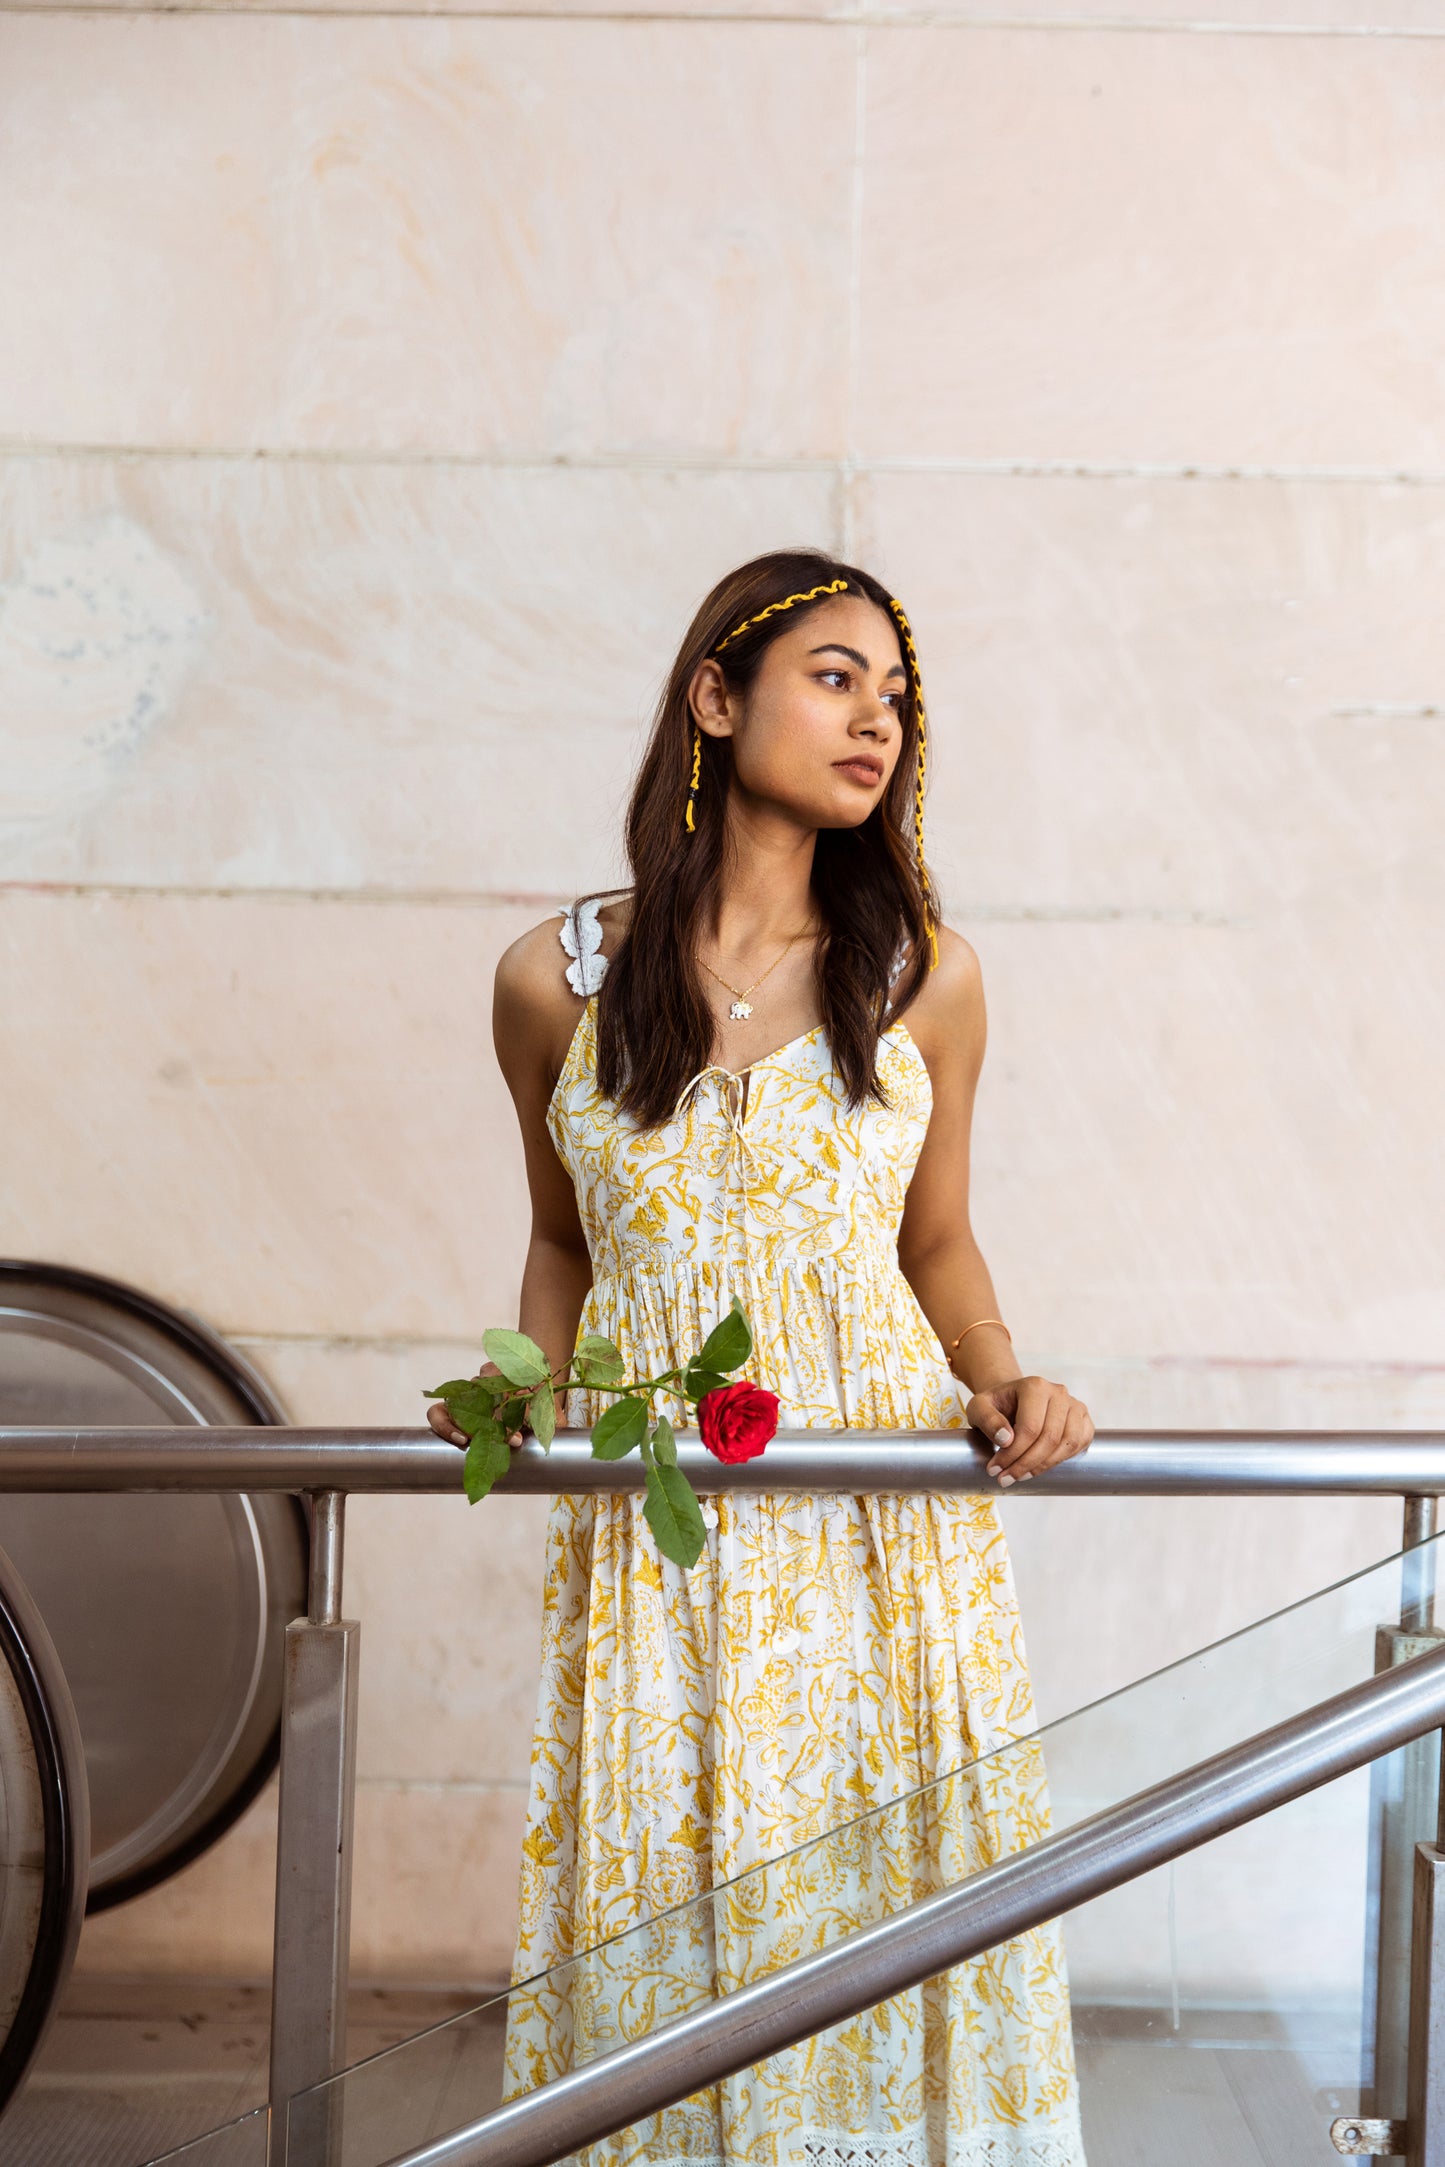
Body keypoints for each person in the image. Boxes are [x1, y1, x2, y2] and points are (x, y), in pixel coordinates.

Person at [430, 548, 1094, 2165]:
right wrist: (524, 1388)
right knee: (668, 1892)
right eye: (835, 675)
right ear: (714, 701)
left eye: (897, 695)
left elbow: (933, 1240)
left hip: (879, 1512)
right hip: (664, 1525)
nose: (878, 718)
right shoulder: (557, 982)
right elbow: (565, 1240)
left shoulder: (921, 974)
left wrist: (1004, 1373)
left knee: (876, 1896)